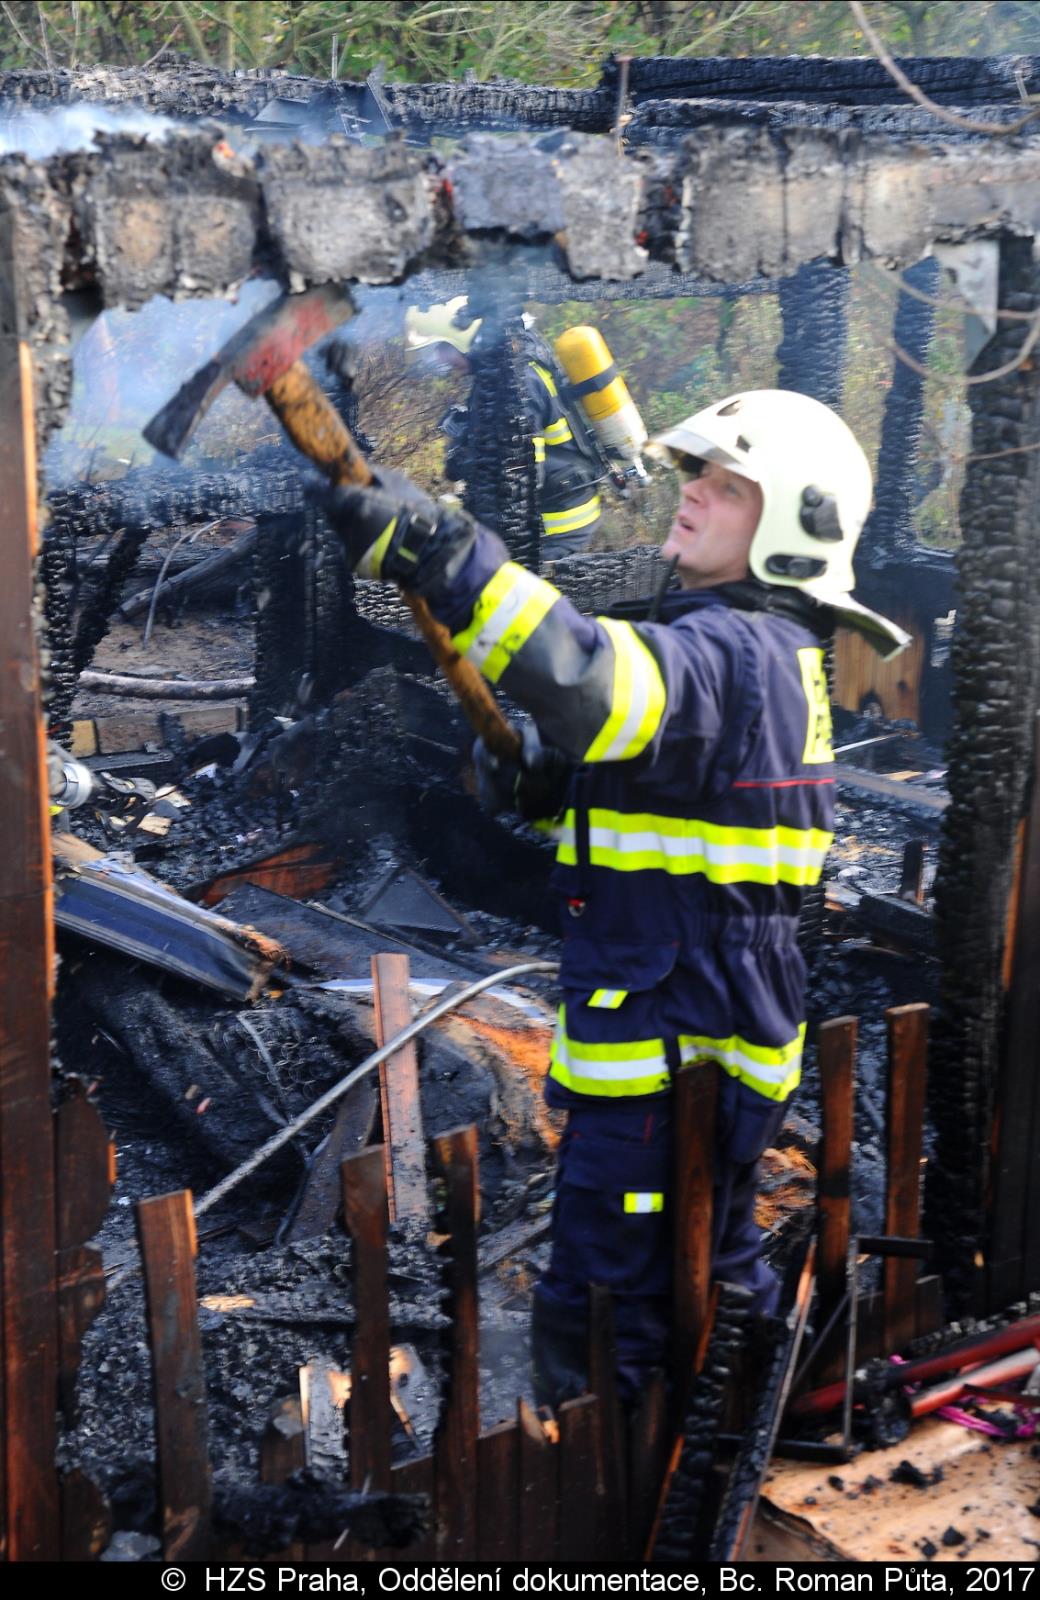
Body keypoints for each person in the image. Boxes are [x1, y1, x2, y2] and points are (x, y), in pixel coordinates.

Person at [319, 388, 909, 1406]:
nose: (693, 495)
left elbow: (585, 676)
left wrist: (447, 552)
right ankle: (753, 1416)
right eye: (696, 476)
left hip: (673, 1044)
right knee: (706, 1258)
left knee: (609, 1298)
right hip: (701, 1029)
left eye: (728, 487)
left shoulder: (733, 653)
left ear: (792, 527)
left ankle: (622, 1475)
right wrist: (549, 782)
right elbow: (675, 818)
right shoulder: (756, 655)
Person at [405, 297, 604, 558]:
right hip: (559, 505)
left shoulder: (518, 384)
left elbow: (523, 478)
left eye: (443, 348)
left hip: (557, 525)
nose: (441, 358)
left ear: (468, 337)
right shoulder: (510, 359)